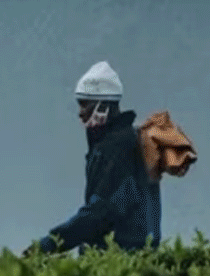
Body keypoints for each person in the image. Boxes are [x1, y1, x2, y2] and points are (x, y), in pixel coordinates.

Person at [29, 61, 162, 256]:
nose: (80, 112)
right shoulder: (131, 140)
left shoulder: (116, 147)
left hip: (116, 259)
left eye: (85, 104)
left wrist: (48, 244)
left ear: (104, 105)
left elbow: (101, 212)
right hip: (141, 255)